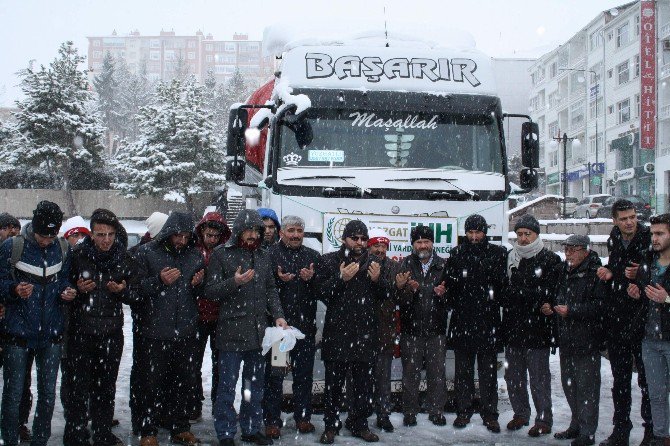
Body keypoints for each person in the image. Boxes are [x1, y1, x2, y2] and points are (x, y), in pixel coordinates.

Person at [205, 209, 287, 446]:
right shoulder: (222, 254)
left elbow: (271, 288)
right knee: (227, 388)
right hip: (230, 334)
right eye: (248, 230)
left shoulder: (264, 255)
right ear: (239, 231)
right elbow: (209, 291)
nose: (252, 235)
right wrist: (235, 282)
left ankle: (251, 428)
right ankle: (226, 432)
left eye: (256, 231)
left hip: (258, 334)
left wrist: (279, 316)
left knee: (253, 387)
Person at [0, 200, 76, 446]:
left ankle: (40, 440)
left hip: (51, 334)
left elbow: (65, 279)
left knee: (47, 394)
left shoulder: (63, 248)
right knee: (13, 394)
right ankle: (9, 439)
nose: (46, 241)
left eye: (51, 235)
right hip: (17, 333)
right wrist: (13, 289)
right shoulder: (13, 247)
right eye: (43, 235)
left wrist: (67, 291)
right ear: (34, 228)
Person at [63, 208, 139, 446]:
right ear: (91, 234)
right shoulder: (77, 255)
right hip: (81, 332)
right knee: (78, 387)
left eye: (110, 234)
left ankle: (102, 432)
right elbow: (63, 287)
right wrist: (76, 290)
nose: (106, 239)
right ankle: (75, 434)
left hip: (111, 332)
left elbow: (136, 294)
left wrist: (122, 291)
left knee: (106, 387)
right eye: (100, 234)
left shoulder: (125, 258)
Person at [134, 212, 205, 446]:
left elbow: (198, 294)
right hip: (154, 330)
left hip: (185, 330)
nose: (181, 241)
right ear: (168, 233)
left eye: (186, 236)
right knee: (151, 383)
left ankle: (180, 427)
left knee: (183, 382)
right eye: (177, 235)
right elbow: (134, 290)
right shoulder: (146, 253)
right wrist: (159, 281)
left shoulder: (194, 255)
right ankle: (148, 430)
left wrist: (198, 285)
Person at [315, 220, 388, 444]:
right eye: (354, 238)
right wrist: (340, 278)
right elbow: (321, 292)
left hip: (365, 334)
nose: (359, 242)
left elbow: (385, 294)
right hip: (337, 333)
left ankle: (360, 424)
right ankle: (330, 425)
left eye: (363, 238)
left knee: (363, 385)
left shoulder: (375, 261)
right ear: (344, 239)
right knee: (333, 386)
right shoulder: (329, 261)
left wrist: (377, 281)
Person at [596, 199, 654, 446]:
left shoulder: (649, 237)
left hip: (643, 319)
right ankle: (621, 430)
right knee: (619, 380)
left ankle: (652, 431)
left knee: (647, 380)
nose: (629, 222)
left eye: (632, 217)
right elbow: (619, 267)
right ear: (615, 221)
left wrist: (641, 275)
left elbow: (659, 270)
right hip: (617, 318)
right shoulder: (613, 238)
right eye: (624, 219)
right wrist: (610, 271)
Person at [445, 215, 507, 433]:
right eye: (470, 232)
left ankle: (490, 414)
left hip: (488, 321)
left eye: (477, 232)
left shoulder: (498, 253)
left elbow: (502, 288)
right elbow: (449, 286)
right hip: (463, 321)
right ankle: (464, 411)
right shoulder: (457, 253)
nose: (473, 237)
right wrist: (451, 294)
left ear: (485, 232)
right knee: (463, 372)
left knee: (488, 373)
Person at [262, 215, 321, 439]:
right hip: (278, 329)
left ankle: (303, 417)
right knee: (275, 377)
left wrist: (312, 279)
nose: (296, 235)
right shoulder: (269, 255)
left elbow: (323, 292)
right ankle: (272, 420)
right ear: (281, 233)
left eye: (299, 230)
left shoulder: (313, 256)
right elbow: (263, 291)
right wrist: (278, 280)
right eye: (291, 230)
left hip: (305, 328)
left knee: (303, 377)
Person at [503, 214, 561, 437]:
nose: (523, 238)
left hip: (538, 330)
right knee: (514, 377)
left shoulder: (549, 259)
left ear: (537, 235)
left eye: (528, 234)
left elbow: (549, 292)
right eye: (519, 234)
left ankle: (544, 419)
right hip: (513, 329)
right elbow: (503, 292)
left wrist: (520, 293)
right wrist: (526, 293)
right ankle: (520, 413)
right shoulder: (511, 258)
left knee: (539, 378)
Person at [549, 235, 604, 446]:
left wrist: (572, 311)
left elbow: (599, 307)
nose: (569, 254)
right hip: (566, 339)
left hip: (586, 340)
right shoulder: (563, 271)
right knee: (569, 385)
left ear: (586, 251)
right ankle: (576, 424)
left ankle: (588, 432)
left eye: (573, 250)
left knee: (587, 388)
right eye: (566, 249)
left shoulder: (595, 273)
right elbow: (556, 295)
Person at [395, 225, 448, 428]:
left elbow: (452, 299)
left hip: (436, 331)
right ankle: (410, 411)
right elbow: (398, 298)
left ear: (433, 243)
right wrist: (408, 290)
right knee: (410, 374)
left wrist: (444, 295)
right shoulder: (405, 265)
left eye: (426, 241)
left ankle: (436, 411)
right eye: (418, 242)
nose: (423, 245)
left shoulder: (443, 265)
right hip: (412, 330)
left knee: (437, 374)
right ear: (412, 244)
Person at [627, 214, 670, 445]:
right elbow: (643, 296)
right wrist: (634, 294)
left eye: (660, 233)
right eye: (653, 233)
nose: (654, 238)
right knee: (656, 395)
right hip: (649, 338)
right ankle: (661, 437)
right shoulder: (646, 260)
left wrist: (668, 299)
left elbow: (663, 298)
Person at [190, 211, 231, 422]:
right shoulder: (194, 252)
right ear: (202, 233)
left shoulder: (225, 253)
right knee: (193, 364)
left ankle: (218, 404)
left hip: (220, 317)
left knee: (220, 365)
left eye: (216, 236)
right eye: (208, 235)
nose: (212, 239)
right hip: (197, 316)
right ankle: (194, 403)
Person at [0, 212, 32, 442]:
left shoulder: (18, 254)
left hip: (17, 329)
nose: (12, 231)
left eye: (16, 228)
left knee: (20, 383)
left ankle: (18, 423)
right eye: (7, 227)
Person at [367, 229, 401, 434]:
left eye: (383, 246)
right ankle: (359, 414)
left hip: (385, 329)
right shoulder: (362, 264)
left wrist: (404, 287)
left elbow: (397, 295)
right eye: (376, 246)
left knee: (383, 378)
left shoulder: (395, 266)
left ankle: (383, 415)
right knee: (358, 378)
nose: (380, 250)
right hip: (361, 330)